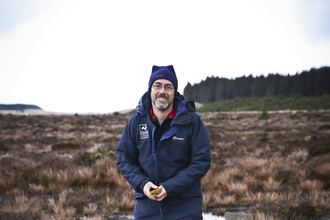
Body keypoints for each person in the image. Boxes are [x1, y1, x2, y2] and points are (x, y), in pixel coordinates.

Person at [116, 65, 211, 220]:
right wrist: (143, 184)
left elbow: (202, 161)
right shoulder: (136, 121)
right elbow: (124, 158)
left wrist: (170, 187)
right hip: (147, 208)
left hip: (185, 207)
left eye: (168, 87)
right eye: (157, 85)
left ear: (175, 92)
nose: (162, 91)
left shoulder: (191, 121)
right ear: (150, 90)